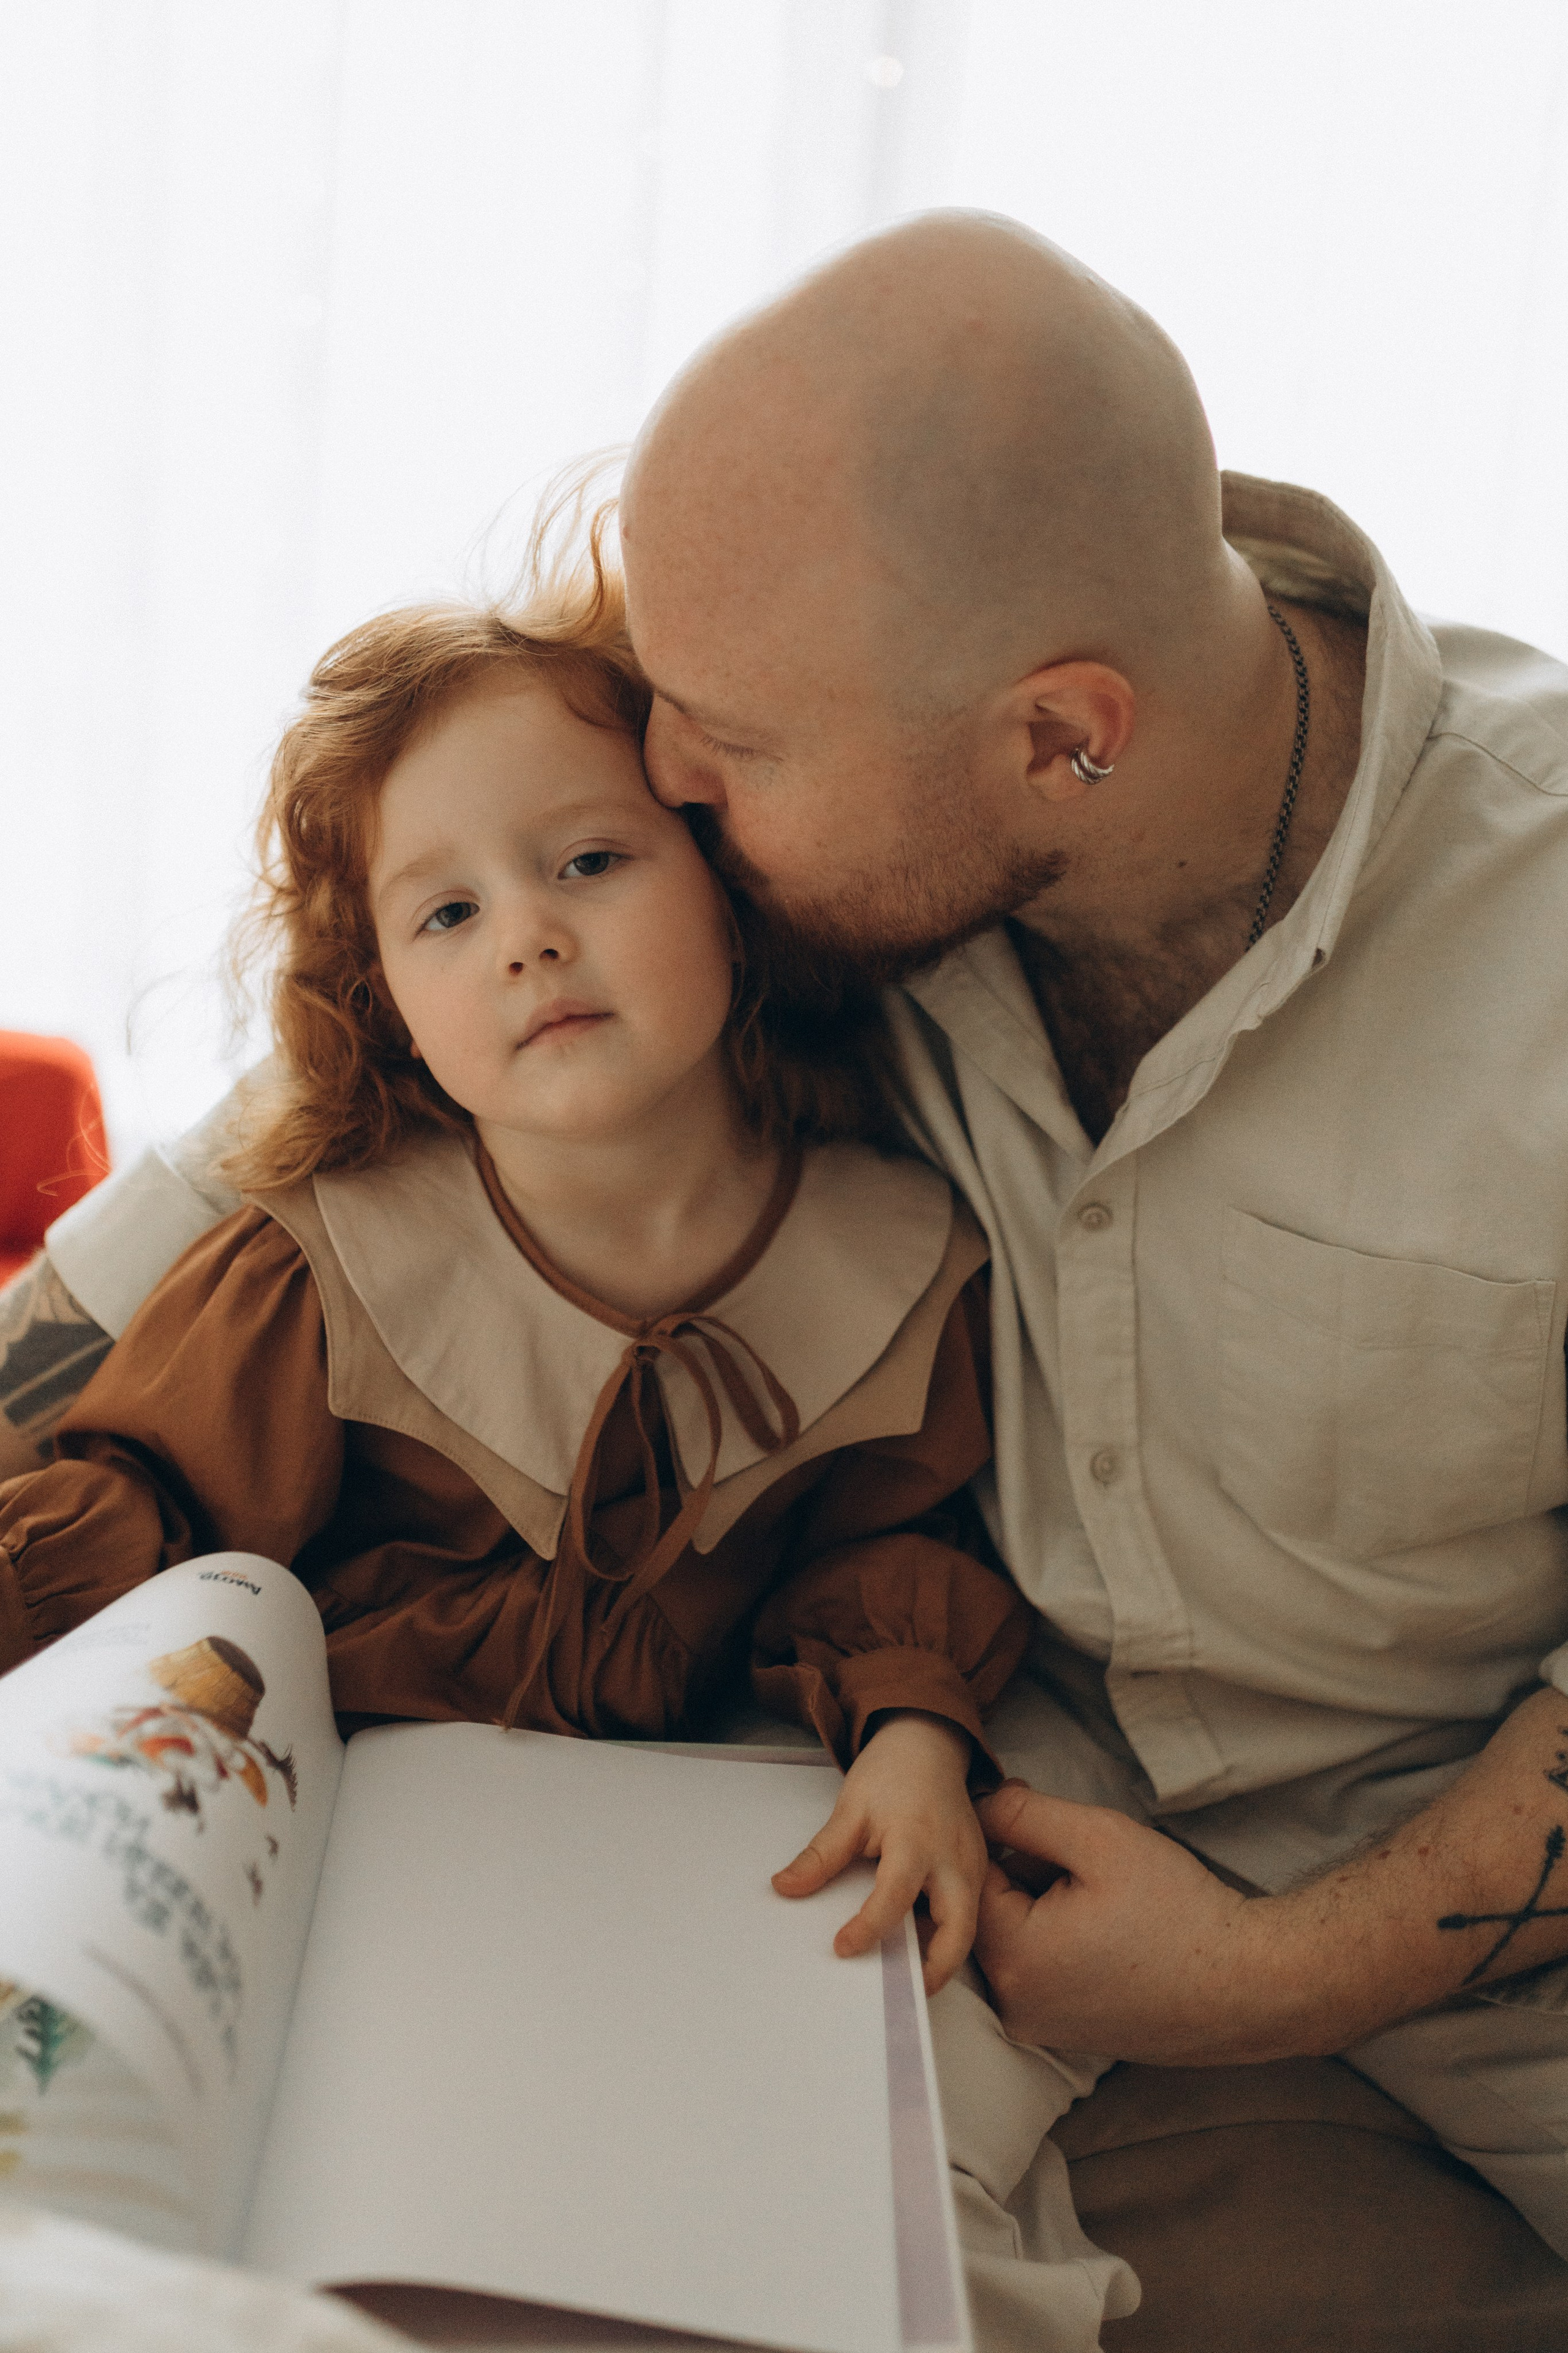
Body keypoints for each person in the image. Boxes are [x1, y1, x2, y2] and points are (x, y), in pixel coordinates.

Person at [13, 206, 1568, 2344]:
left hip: (1476, 1928)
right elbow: (301, 1132)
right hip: (953, 1831)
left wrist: (1267, 1975)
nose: (662, 781)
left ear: (1062, 741)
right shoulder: (846, 864)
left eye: (723, 746)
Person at [0, 518, 1036, 1999]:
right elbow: (145, 1515)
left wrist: (914, 1733)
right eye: (448, 911)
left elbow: (887, 1554)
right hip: (322, 1872)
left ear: (728, 882)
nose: (528, 938)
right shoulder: (333, 1266)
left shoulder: (893, 1260)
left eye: (592, 859)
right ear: (389, 1000)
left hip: (674, 1897)